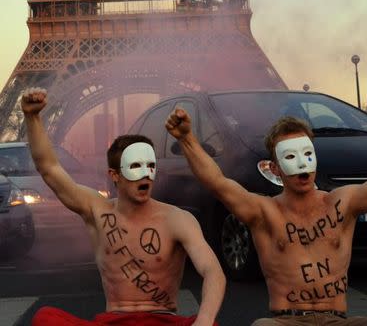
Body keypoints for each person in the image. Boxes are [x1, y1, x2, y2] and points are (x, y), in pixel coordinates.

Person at [166, 97, 367, 325]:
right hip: (287, 321)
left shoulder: (342, 203)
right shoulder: (264, 212)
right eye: (291, 156)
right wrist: (187, 139)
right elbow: (218, 182)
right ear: (274, 168)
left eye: (307, 154)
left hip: (338, 319)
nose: (302, 164)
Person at [21, 88, 225, 326]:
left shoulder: (177, 219)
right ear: (114, 175)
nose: (145, 175)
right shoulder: (97, 209)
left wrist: (205, 319)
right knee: (45, 318)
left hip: (163, 321)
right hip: (113, 321)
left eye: (151, 166)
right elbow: (49, 169)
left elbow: (213, 272)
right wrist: (32, 118)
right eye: (135, 166)